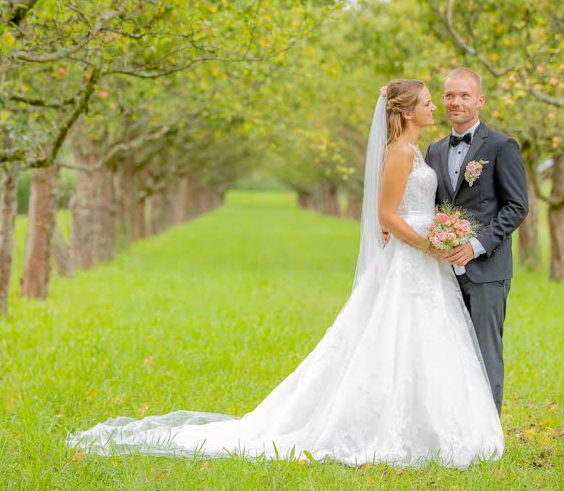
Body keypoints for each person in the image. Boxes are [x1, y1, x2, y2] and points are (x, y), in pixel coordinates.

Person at [67, 78, 504, 468]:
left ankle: (434, 423)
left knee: (426, 339)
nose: (435, 108)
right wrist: (429, 243)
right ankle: (387, 425)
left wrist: (442, 233)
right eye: (428, 102)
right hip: (412, 259)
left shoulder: (415, 151)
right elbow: (386, 215)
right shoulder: (398, 154)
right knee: (390, 337)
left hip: (424, 264)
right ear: (407, 111)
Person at [424, 68, 528, 415]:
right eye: (450, 95)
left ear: (479, 100)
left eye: (464, 95)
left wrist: (476, 245)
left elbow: (516, 207)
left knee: (485, 352)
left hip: (487, 270)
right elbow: (431, 204)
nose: (456, 102)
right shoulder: (435, 150)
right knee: (448, 350)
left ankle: (488, 433)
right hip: (442, 271)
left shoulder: (501, 146)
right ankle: (455, 423)